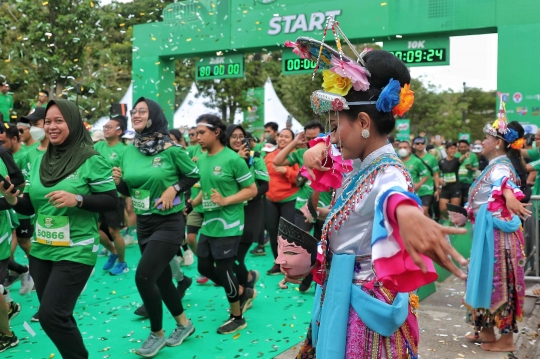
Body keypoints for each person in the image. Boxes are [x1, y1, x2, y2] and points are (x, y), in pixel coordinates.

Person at [281, 37, 467, 358]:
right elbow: (334, 150)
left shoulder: (389, 173)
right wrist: (323, 143)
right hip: (344, 295)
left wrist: (406, 214)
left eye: (337, 125)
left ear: (364, 123)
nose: (333, 135)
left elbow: (393, 197)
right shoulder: (362, 161)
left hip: (364, 313)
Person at [0, 99, 119, 359]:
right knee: (58, 316)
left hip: (76, 249)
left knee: (52, 316)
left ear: (73, 123)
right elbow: (29, 207)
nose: (51, 127)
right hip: (42, 250)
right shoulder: (41, 161)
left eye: (59, 121)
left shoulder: (91, 159)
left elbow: (112, 201)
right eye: (48, 122)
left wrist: (78, 199)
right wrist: (11, 198)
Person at [113, 97, 199, 356]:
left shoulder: (171, 148)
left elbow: (193, 175)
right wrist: (119, 182)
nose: (136, 115)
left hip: (169, 222)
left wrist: (174, 189)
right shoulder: (129, 150)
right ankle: (184, 324)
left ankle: (157, 333)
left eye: (142, 111)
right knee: (162, 280)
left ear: (154, 116)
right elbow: (129, 189)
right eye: (134, 112)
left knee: (144, 277)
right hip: (144, 223)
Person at [457, 117, 530, 353]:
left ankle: (506, 339)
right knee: (484, 281)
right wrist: (466, 213)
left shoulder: (500, 167)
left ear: (498, 143)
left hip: (499, 239)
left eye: (487, 138)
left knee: (499, 283)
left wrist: (509, 197)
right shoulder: (494, 164)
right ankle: (487, 332)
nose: (482, 142)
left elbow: (504, 184)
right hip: (489, 235)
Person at [191, 114, 258, 334]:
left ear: (216, 133)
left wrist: (226, 200)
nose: (197, 137)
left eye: (202, 133)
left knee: (225, 268)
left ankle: (237, 317)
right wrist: (191, 204)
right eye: (196, 133)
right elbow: (205, 188)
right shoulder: (202, 158)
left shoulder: (233, 159)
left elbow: (251, 190)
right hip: (210, 222)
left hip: (230, 222)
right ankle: (242, 291)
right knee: (203, 266)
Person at [272, 120, 329, 292]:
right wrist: (295, 143)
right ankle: (299, 275)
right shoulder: (301, 153)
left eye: (316, 138)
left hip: (325, 209)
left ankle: (313, 279)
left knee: (322, 246)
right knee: (301, 245)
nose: (312, 143)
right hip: (302, 207)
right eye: (308, 139)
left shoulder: (332, 157)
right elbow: (277, 161)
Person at [226, 124, 268, 292]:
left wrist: (249, 195)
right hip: (230, 210)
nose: (238, 140)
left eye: (241, 136)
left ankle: (246, 287)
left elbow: (265, 186)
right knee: (228, 257)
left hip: (252, 209)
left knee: (236, 256)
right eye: (233, 136)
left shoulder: (255, 157)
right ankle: (248, 279)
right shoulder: (223, 158)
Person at [0, 123, 34, 295]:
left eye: (4, 141)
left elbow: (21, 178)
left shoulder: (7, 154)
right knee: (18, 240)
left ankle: (36, 271)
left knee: (24, 241)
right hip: (12, 205)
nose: (2, 144)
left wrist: (13, 196)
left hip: (17, 205)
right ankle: (19, 271)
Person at [94, 116, 130, 275]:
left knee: (114, 231)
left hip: (114, 196)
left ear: (119, 131)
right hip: (96, 194)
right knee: (93, 230)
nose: (105, 129)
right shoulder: (99, 146)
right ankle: (113, 251)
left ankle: (122, 263)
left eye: (109, 127)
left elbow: (128, 174)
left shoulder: (125, 150)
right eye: (105, 127)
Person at [264, 128, 299, 275]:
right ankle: (278, 262)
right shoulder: (270, 156)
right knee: (273, 232)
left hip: (289, 198)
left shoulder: (296, 156)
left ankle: (291, 264)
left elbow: (300, 178)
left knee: (287, 234)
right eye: (281, 136)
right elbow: (264, 173)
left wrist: (287, 171)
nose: (283, 139)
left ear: (292, 140)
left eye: (287, 137)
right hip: (270, 199)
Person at [398, 141, 432, 216]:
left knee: (423, 211)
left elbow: (426, 174)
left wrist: (418, 185)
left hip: (417, 192)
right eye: (400, 148)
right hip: (402, 191)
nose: (402, 149)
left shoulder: (416, 161)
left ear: (409, 149)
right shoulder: (396, 161)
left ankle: (429, 226)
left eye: (405, 147)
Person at [412, 136, 440, 218]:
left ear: (425, 145)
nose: (420, 145)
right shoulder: (410, 158)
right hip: (414, 190)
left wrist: (437, 189)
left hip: (428, 189)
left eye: (422, 143)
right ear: (413, 145)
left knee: (424, 210)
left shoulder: (431, 158)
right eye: (417, 143)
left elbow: (436, 174)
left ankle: (430, 228)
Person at [438, 142, 462, 221]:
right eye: (451, 148)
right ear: (446, 150)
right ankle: (447, 222)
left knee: (454, 210)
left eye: (454, 149)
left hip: (455, 188)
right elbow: (438, 174)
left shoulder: (457, 160)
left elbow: (461, 159)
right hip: (445, 188)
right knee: (443, 209)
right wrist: (439, 180)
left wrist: (465, 156)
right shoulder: (441, 162)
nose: (453, 150)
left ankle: (454, 227)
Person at [457, 140, 478, 205]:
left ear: (468, 147)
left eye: (465, 147)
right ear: (459, 147)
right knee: (457, 201)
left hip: (468, 182)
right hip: (457, 183)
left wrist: (470, 168)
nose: (463, 148)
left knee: (466, 201)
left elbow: (476, 168)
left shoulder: (473, 156)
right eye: (461, 147)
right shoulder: (455, 155)